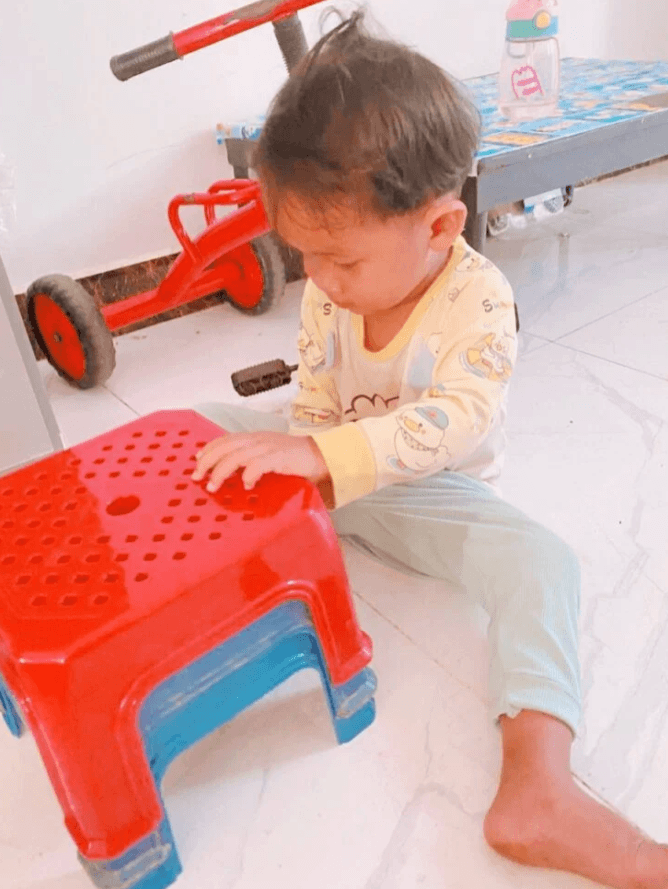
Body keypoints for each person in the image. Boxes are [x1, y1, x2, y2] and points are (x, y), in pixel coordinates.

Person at [192, 11, 668, 887]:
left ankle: (540, 787)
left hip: (426, 489)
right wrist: (305, 459)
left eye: (338, 259)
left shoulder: (478, 301)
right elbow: (315, 396)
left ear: (441, 228)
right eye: (306, 259)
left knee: (543, 564)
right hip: (328, 469)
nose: (321, 282)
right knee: (197, 424)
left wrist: (324, 463)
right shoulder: (332, 289)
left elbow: (461, 422)